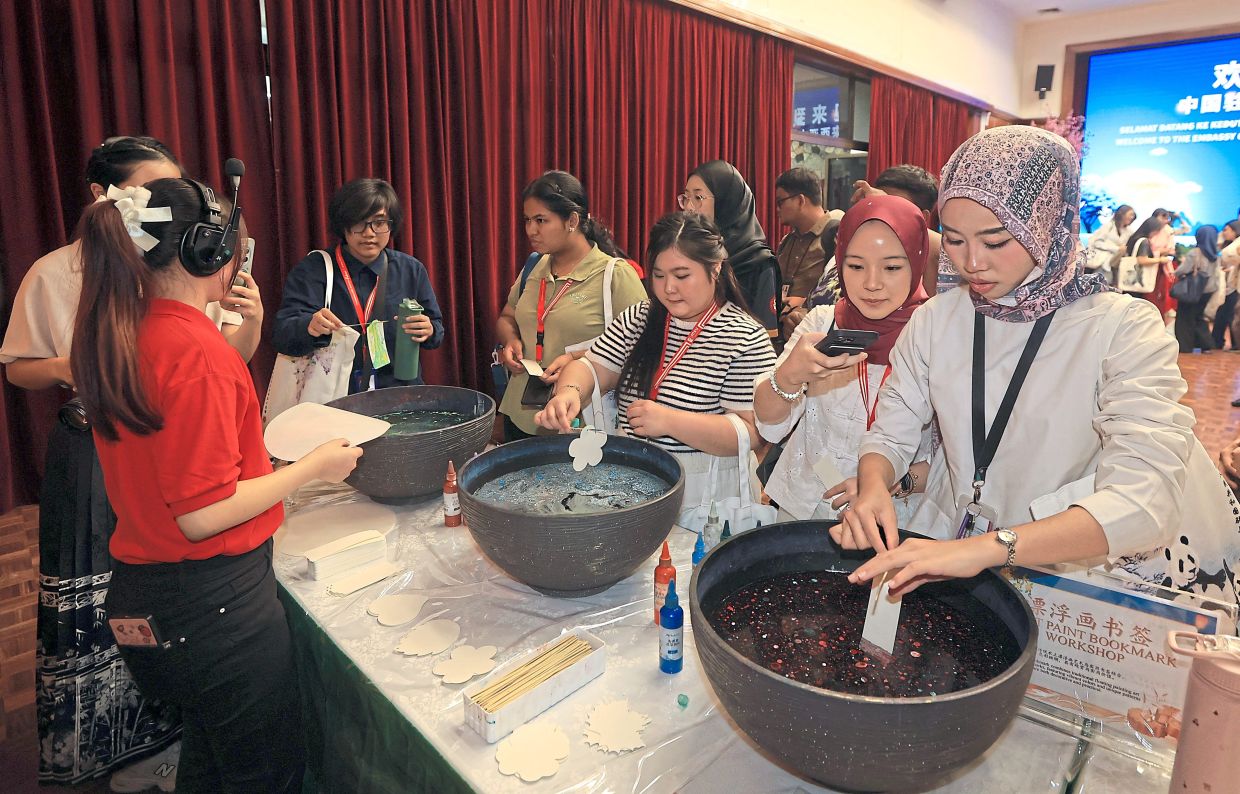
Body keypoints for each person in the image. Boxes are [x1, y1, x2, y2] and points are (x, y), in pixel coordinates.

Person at [836, 125, 1239, 602]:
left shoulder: (1122, 327)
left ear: (1049, 223)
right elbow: (893, 427)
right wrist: (875, 483)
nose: (972, 263)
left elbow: (1145, 497)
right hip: (961, 546)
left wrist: (990, 548)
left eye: (995, 240)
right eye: (956, 240)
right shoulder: (937, 320)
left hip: (1080, 568)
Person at [70, 176, 362, 791]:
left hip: (153, 593)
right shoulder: (194, 352)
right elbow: (202, 513)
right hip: (213, 605)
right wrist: (309, 468)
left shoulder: (125, 329)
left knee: (211, 758)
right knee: (263, 774)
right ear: (211, 253)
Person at [0, 136, 262, 787]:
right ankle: (99, 749)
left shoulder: (183, 267)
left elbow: (232, 363)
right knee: (102, 608)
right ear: (101, 197)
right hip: (95, 454)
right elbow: (21, 369)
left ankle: (168, 737)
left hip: (177, 455)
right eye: (148, 189)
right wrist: (79, 365)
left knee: (166, 608)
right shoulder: (56, 271)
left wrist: (247, 318)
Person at [535, 212, 776, 518]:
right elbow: (592, 367)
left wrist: (669, 421)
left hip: (703, 495)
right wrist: (568, 393)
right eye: (659, 276)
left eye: (682, 275)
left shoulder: (745, 337)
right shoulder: (641, 317)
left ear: (715, 268)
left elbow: (750, 432)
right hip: (634, 483)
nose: (668, 288)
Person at [754, 195, 932, 525]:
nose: (872, 283)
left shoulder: (935, 336)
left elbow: (955, 461)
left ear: (917, 261)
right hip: (802, 506)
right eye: (855, 266)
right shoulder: (822, 324)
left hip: (892, 523)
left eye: (892, 267)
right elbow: (769, 426)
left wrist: (889, 483)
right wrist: (789, 376)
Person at [494, 171, 646, 441]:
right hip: (520, 413)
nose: (531, 230)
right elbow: (507, 317)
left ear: (572, 221)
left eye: (541, 220)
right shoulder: (534, 266)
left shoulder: (614, 275)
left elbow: (640, 347)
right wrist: (511, 340)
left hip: (581, 421)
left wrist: (577, 360)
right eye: (527, 220)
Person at [273, 178, 444, 393]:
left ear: (391, 226)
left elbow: (436, 328)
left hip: (399, 394)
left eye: (379, 223)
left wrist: (428, 329)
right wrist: (309, 326)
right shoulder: (313, 270)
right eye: (359, 222)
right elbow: (282, 335)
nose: (369, 233)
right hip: (334, 398)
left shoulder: (410, 270)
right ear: (343, 224)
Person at [680, 160, 781, 340]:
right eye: (686, 197)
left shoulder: (759, 262)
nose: (688, 207)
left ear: (727, 201)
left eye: (698, 198)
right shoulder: (688, 254)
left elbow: (766, 339)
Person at [849, 165, 945, 295]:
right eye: (878, 205)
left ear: (922, 217)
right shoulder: (857, 244)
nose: (882, 215)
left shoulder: (943, 255)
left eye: (895, 207)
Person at [773, 168, 831, 333]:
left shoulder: (835, 236)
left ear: (800, 200)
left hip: (815, 336)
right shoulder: (787, 241)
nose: (777, 209)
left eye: (780, 202)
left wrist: (805, 303)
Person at [1173, 226, 1221, 353]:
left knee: (1185, 318)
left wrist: (1177, 270)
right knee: (1199, 317)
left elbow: (1182, 270)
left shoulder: (1195, 252)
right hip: (1208, 290)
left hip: (1193, 289)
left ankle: (1185, 346)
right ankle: (1206, 345)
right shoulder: (1215, 254)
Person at [1119, 217, 1174, 295]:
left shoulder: (1134, 237)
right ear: (1152, 229)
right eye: (1157, 231)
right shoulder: (1144, 241)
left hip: (1129, 277)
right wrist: (1160, 260)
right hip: (1137, 279)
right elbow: (1142, 260)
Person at [1084, 204, 1136, 281]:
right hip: (1101, 261)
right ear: (1122, 214)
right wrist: (1116, 248)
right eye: (1130, 214)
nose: (1132, 217)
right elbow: (1097, 243)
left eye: (1133, 215)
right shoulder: (1108, 226)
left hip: (1114, 263)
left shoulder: (1129, 231)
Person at [1212, 220, 1240, 350]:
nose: (1224, 233)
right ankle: (1220, 342)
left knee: (1231, 315)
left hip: (1234, 286)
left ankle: (1235, 344)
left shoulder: (1235, 245)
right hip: (1228, 285)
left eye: (1226, 230)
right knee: (1225, 314)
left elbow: (1227, 255)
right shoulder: (1228, 244)